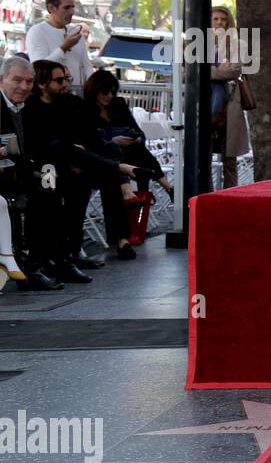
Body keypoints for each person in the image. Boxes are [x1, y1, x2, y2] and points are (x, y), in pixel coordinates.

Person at [29, 60, 144, 266]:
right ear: (41, 83)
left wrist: (81, 149)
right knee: (81, 176)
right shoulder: (32, 107)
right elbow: (45, 145)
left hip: (78, 163)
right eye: (59, 80)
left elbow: (90, 135)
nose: (66, 84)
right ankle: (69, 253)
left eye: (67, 79)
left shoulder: (70, 104)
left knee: (105, 159)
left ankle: (80, 250)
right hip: (46, 168)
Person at [0, 57, 60, 289]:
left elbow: (44, 146)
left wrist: (49, 172)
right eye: (17, 80)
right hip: (5, 176)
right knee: (40, 197)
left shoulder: (31, 107)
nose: (24, 87)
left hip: (24, 172)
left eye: (29, 81)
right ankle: (29, 267)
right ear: (2, 79)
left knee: (55, 187)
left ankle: (49, 260)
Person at [82, 68, 172, 200]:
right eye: (105, 91)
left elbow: (139, 131)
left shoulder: (118, 105)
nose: (110, 95)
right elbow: (90, 139)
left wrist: (137, 138)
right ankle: (166, 187)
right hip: (104, 157)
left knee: (138, 148)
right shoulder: (85, 110)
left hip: (131, 154)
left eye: (113, 92)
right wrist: (113, 140)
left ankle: (141, 196)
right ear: (94, 90)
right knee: (116, 148)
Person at [210, 6, 250, 189]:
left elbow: (233, 70)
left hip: (229, 106)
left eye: (222, 19)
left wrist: (207, 71)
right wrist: (219, 70)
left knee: (229, 159)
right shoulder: (198, 44)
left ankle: (229, 194)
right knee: (202, 158)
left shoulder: (237, 44)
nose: (219, 22)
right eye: (215, 19)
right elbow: (188, 72)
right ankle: (205, 194)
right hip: (205, 106)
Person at [25, 0, 92, 90]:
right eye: (66, 8)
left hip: (77, 93)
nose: (72, 12)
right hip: (51, 94)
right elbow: (39, 70)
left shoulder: (75, 32)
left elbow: (86, 65)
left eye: (73, 7)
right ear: (51, 8)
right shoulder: (37, 32)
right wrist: (64, 48)